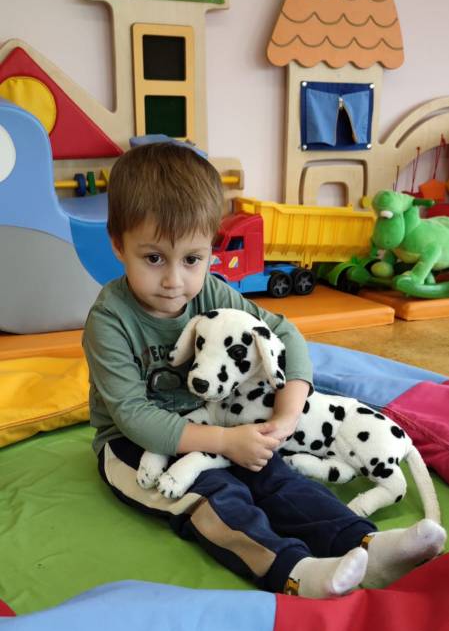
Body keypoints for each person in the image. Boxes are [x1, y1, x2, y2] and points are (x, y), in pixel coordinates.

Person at [82, 142, 446, 599]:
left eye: (192, 259)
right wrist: (223, 442)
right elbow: (134, 416)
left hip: (215, 423)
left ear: (210, 249)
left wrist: (285, 417)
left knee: (276, 477)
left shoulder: (211, 292)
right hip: (134, 446)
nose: (174, 281)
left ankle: (366, 545)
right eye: (154, 258)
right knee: (214, 496)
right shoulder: (110, 321)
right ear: (118, 244)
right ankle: (295, 571)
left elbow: (285, 334)